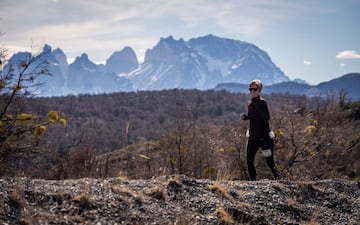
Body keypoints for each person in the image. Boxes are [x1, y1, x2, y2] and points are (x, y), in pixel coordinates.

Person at [240, 79, 280, 181]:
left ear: (259, 90)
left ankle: (279, 180)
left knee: (269, 161)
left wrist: (254, 107)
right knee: (249, 161)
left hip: (264, 139)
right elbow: (254, 117)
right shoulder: (251, 103)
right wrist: (246, 117)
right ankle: (253, 184)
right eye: (250, 89)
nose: (252, 91)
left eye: (255, 89)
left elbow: (266, 118)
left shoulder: (262, 103)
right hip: (253, 138)